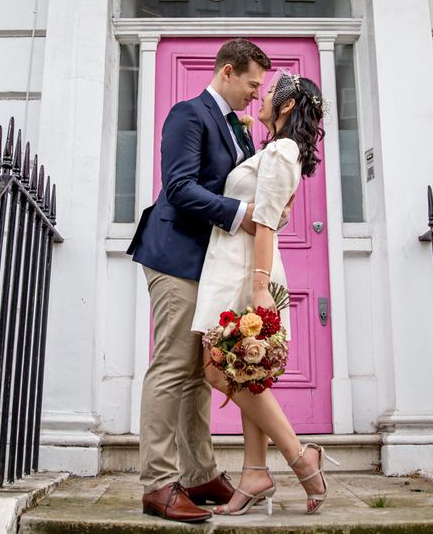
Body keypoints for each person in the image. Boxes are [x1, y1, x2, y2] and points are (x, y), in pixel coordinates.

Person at [126, 38, 273, 523]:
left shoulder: (238, 129)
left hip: (205, 264)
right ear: (227, 72)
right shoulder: (188, 114)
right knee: (172, 367)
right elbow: (180, 187)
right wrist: (242, 214)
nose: (256, 94)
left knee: (196, 373)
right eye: (252, 84)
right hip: (173, 255)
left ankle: (200, 472)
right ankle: (158, 483)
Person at [192, 70, 337, 517]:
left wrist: (258, 289)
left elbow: (269, 222)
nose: (262, 95)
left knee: (219, 371)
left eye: (270, 91)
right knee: (244, 373)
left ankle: (300, 458)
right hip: (232, 265)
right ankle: (254, 470)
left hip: (243, 271)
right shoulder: (273, 149)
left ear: (288, 106)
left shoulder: (282, 150)